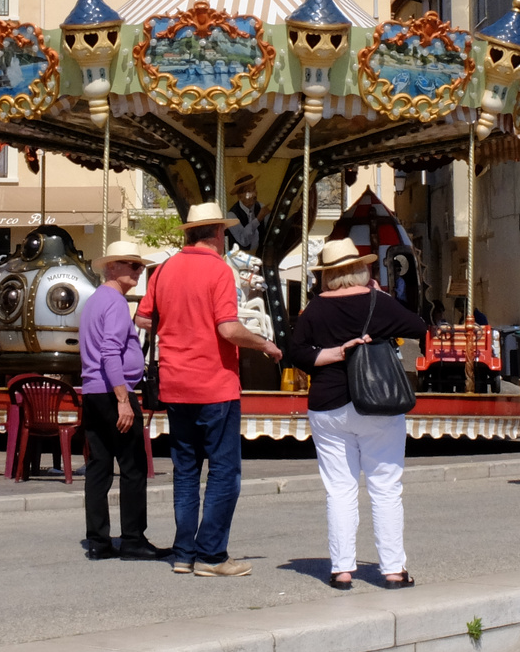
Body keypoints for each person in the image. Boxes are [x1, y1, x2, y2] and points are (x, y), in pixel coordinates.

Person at [136, 203, 282, 576]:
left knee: (185, 471)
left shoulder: (164, 269)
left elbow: (143, 318)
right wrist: (264, 343)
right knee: (223, 471)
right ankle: (212, 554)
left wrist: (178, 328)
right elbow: (228, 329)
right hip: (214, 383)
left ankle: (184, 552)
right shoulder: (218, 269)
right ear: (217, 233)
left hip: (175, 383)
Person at [289, 239, 427, 589]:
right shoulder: (376, 302)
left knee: (340, 489)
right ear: (361, 270)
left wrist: (337, 352)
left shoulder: (314, 309)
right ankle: (393, 569)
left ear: (328, 275)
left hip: (329, 405)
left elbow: (298, 353)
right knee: (385, 488)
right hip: (378, 402)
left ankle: (342, 569)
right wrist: (381, 305)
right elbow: (418, 327)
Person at [79, 240, 167, 562]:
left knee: (99, 467)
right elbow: (109, 352)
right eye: (133, 265)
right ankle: (133, 539)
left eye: (139, 265)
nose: (139, 270)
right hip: (112, 390)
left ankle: (98, 541)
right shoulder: (115, 303)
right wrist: (123, 399)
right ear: (113, 267)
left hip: (92, 391)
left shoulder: (94, 301)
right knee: (133, 466)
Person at [225, 173, 266, 254]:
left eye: (254, 189)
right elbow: (244, 241)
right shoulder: (231, 215)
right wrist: (258, 220)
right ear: (240, 196)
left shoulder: (261, 207)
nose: (254, 194)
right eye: (249, 191)